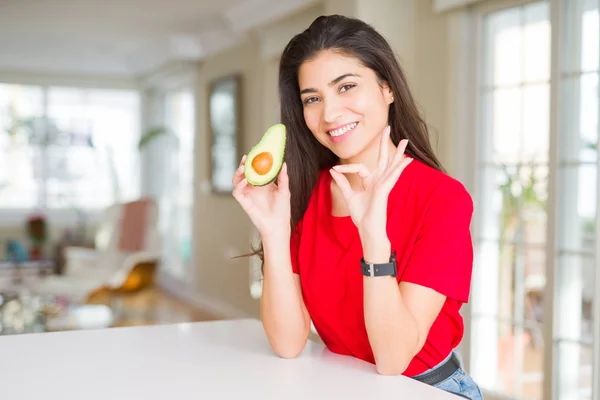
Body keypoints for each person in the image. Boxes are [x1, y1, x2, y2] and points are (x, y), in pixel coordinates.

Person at [232, 14, 484, 400]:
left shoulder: (443, 199)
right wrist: (274, 232)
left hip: (426, 389)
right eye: (312, 98)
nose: (329, 113)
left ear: (387, 88)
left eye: (346, 86)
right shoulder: (305, 193)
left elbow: (393, 358)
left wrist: (373, 237)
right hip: (341, 382)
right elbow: (287, 343)